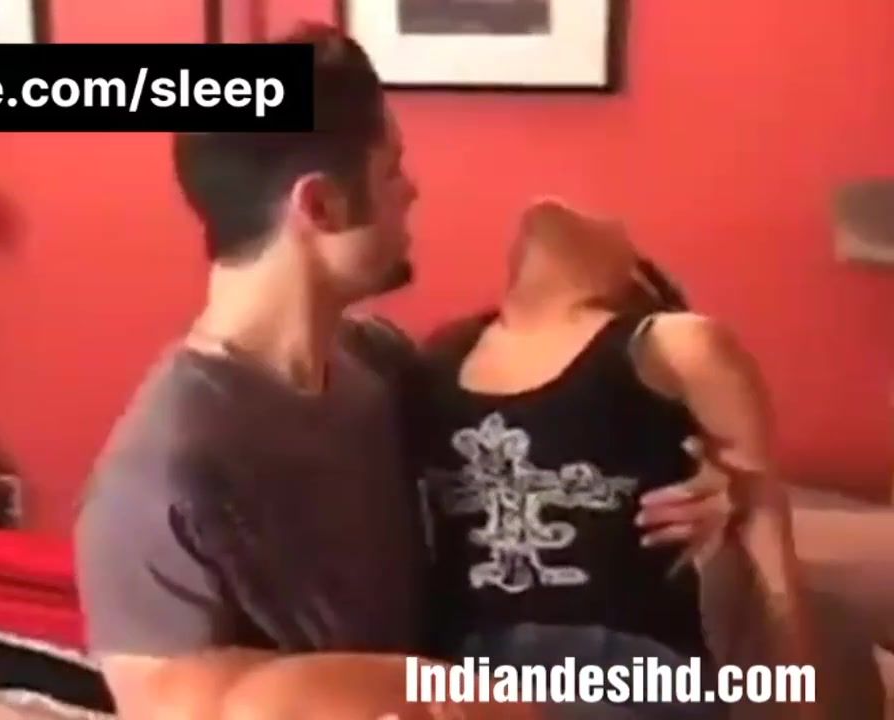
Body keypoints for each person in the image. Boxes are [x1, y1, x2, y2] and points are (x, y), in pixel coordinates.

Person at [74, 26, 737, 720]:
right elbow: (175, 706)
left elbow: (544, 448)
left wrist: (715, 485)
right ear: (320, 206)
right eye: (392, 170)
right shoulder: (156, 478)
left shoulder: (378, 363)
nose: (412, 192)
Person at [417, 200, 816, 718]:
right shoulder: (435, 357)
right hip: (463, 671)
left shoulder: (671, 345)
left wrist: (801, 704)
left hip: (624, 671)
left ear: (629, 274)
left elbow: (769, 542)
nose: (556, 209)